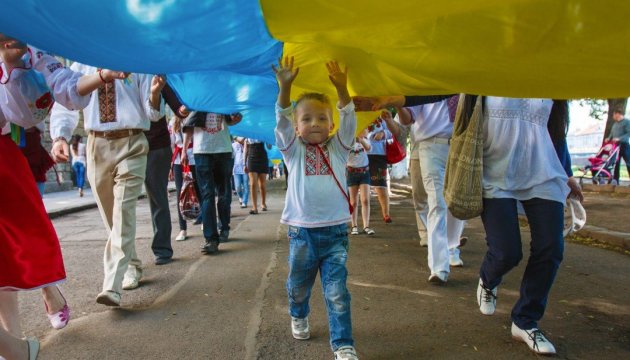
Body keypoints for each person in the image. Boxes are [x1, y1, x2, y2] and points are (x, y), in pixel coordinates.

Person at [0, 34, 115, 356]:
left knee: (19, 244)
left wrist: (10, 62)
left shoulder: (25, 38)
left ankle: (18, 340)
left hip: (7, 159)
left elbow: (38, 107)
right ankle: (15, 347)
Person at [50, 63, 164, 306]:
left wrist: (155, 93)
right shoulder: (80, 62)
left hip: (132, 143)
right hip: (96, 145)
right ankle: (131, 264)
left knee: (123, 210)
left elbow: (153, 114)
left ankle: (112, 284)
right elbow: (66, 101)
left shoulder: (137, 62)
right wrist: (60, 136)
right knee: (111, 217)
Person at [273, 56, 359, 360]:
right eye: (307, 119)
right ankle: (299, 314)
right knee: (298, 287)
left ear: (331, 124)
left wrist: (342, 90)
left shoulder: (339, 147)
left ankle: (344, 344)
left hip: (335, 232)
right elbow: (281, 121)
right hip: (302, 234)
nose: (315, 124)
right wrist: (285, 88)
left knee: (337, 293)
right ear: (297, 127)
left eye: (322, 118)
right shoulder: (292, 152)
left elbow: (350, 119)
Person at [395, 97, 466, 284]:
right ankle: (439, 268)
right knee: (437, 202)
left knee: (458, 201)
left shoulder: (464, 78)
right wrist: (396, 103)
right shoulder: (425, 81)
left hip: (461, 145)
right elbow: (407, 118)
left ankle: (452, 248)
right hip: (431, 145)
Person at [182, 111, 242, 253]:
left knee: (224, 193)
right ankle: (211, 239)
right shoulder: (197, 96)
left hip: (223, 150)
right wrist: (184, 149)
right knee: (207, 194)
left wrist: (235, 119)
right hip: (202, 151)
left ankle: (224, 227)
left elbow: (232, 118)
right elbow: (189, 123)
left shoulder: (224, 95)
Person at [143, 115, 174, 265]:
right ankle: (125, 257)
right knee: (121, 203)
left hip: (156, 145)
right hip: (124, 143)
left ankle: (162, 248)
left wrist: (182, 110)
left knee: (157, 197)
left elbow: (179, 105)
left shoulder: (163, 90)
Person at [169, 115, 200, 241]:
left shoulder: (195, 116)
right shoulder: (173, 121)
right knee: (180, 195)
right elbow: (171, 143)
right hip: (178, 161)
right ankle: (183, 229)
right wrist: (171, 164)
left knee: (199, 190)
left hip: (194, 157)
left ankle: (203, 220)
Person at [347, 128, 374, 235]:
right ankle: (354, 226)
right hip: (351, 173)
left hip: (364, 173)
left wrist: (360, 139)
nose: (365, 130)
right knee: (353, 202)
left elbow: (369, 148)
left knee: (365, 199)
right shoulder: (347, 141)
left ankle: (366, 226)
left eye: (366, 129)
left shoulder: (366, 140)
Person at [366, 117, 392, 223]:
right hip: (359, 154)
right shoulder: (356, 112)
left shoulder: (382, 116)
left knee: (381, 184)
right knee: (359, 185)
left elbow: (392, 131)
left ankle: (386, 214)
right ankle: (355, 214)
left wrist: (383, 133)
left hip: (379, 154)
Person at [244, 138, 270, 214]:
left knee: (262, 184)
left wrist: (268, 138)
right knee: (252, 184)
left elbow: (269, 147)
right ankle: (254, 207)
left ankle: (263, 203)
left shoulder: (262, 131)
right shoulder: (248, 133)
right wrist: (244, 163)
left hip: (262, 156)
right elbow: (246, 149)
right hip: (251, 157)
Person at [607, 109, 630, 184]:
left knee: (628, 162)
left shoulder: (626, 122)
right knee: (616, 163)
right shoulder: (615, 124)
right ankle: (616, 180)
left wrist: (619, 138)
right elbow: (611, 133)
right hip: (615, 146)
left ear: (618, 114)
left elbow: (628, 133)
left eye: (614, 114)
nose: (613, 116)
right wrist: (609, 138)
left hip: (624, 145)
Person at [232, 137, 249, 208]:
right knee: (237, 187)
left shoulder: (247, 143)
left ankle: (244, 201)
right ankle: (241, 197)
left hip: (246, 167)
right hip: (236, 168)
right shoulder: (234, 145)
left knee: (245, 185)